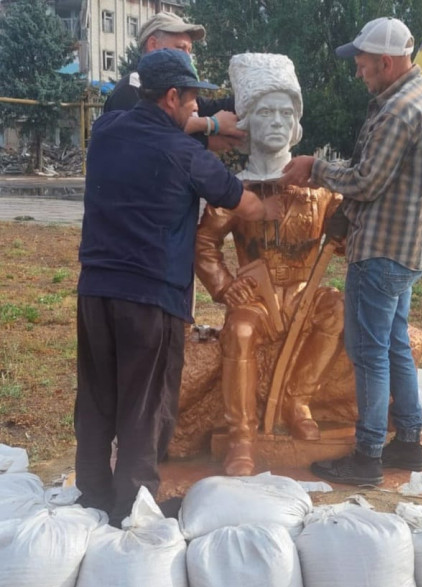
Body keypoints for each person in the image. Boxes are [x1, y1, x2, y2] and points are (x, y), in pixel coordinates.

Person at [75, 49, 281, 526]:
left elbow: (150, 129)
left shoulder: (105, 132)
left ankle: (92, 494)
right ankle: (134, 505)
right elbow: (241, 203)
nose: (197, 111)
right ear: (172, 96)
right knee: (144, 402)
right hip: (150, 297)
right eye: (192, 101)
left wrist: (208, 132)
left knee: (98, 394)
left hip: (96, 289)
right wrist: (269, 207)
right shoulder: (186, 156)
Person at [280, 17, 422, 485]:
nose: (358, 72)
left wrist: (315, 167)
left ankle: (368, 455)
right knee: (394, 344)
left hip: (383, 251)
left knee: (370, 352)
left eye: (363, 64)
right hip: (409, 248)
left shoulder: (398, 111)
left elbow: (367, 180)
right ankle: (409, 443)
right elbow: (384, 176)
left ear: (387, 61)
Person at [195, 53, 344, 477]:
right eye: (265, 112)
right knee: (239, 330)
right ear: (246, 123)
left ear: (296, 124)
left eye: (286, 112)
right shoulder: (234, 189)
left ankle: (298, 398)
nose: (277, 121)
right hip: (258, 299)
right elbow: (204, 244)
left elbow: (345, 232)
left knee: (336, 307)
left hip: (304, 292)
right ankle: (241, 436)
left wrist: (347, 225)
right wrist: (224, 287)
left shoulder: (318, 186)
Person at [103, 11, 244, 153]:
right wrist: (210, 126)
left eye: (189, 50)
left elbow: (215, 106)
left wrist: (256, 97)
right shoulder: (130, 87)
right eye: (180, 48)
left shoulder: (177, 91)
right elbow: (145, 136)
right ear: (153, 44)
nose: (188, 57)